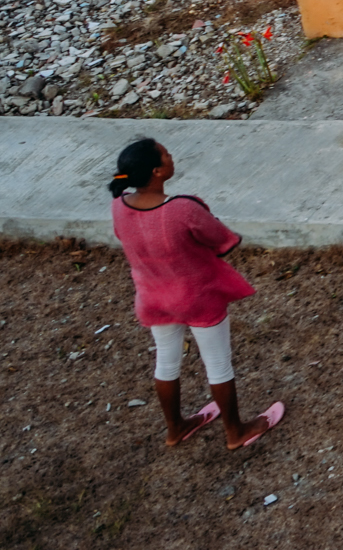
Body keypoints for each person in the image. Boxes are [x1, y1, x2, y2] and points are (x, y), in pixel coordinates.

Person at [108, 137, 285, 450]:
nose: (171, 156)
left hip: (153, 297)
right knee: (218, 364)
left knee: (166, 361)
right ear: (157, 171)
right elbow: (222, 240)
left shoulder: (119, 207)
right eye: (165, 155)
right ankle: (235, 431)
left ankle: (175, 428)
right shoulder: (182, 209)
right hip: (196, 298)